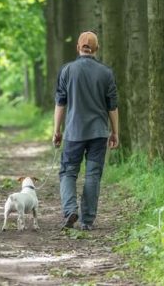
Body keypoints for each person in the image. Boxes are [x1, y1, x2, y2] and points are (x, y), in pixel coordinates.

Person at [52, 31, 119, 231]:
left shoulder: (67, 70)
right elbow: (112, 106)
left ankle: (70, 209)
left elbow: (60, 103)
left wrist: (57, 130)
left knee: (68, 172)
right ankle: (87, 220)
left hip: (73, 131)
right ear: (96, 49)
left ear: (78, 47)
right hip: (99, 132)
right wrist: (115, 132)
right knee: (93, 175)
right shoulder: (106, 73)